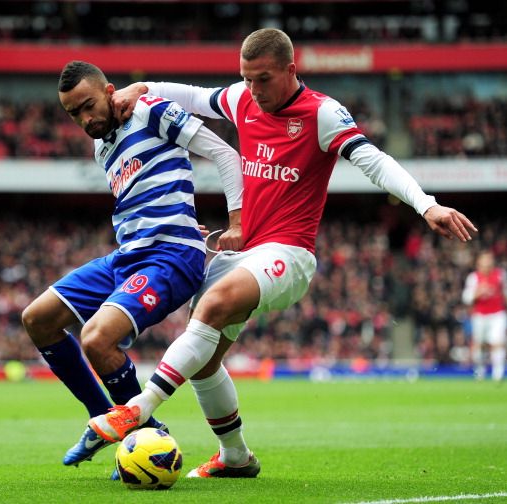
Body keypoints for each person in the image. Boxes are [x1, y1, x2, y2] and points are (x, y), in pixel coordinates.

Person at [85, 28, 478, 478]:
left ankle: (135, 410)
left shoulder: (322, 113)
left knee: (209, 309)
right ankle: (236, 457)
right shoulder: (243, 99)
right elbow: (194, 97)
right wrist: (143, 88)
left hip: (289, 254)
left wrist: (427, 204)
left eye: (263, 79)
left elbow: (373, 160)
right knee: (204, 363)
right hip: (245, 254)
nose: (253, 91)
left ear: (291, 70)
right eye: (246, 79)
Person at [22, 60, 243, 468]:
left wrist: (238, 221)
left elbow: (225, 154)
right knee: (37, 318)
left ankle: (145, 437)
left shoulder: (150, 109)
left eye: (88, 106)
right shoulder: (100, 146)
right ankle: (102, 418)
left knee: (96, 338)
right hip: (128, 254)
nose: (84, 119)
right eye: (74, 114)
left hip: (171, 255)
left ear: (109, 91)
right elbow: (148, 193)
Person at [462, 250, 507, 381]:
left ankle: (498, 373)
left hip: (497, 314)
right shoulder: (473, 277)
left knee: (497, 341)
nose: (487, 263)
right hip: (480, 315)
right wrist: (478, 292)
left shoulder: (501, 275)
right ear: (479, 263)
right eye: (484, 260)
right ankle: (480, 370)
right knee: (479, 343)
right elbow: (466, 298)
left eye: (489, 260)